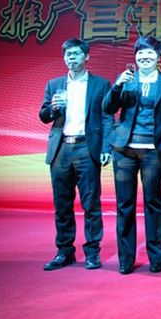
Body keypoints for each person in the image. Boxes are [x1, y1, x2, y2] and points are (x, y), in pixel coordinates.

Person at [102, 36, 161, 274]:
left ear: (159, 57)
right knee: (124, 204)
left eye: (150, 53)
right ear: (135, 57)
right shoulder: (126, 80)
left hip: (153, 151)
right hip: (124, 151)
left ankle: (156, 257)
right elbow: (108, 108)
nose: (145, 57)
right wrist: (117, 86)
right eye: (140, 53)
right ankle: (126, 259)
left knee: (153, 203)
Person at [39, 38, 113, 271]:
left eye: (76, 54)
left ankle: (92, 252)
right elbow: (44, 116)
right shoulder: (54, 84)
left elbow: (107, 117)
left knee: (91, 203)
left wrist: (106, 147)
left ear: (86, 56)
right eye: (67, 55)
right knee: (62, 203)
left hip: (86, 148)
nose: (71, 58)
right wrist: (53, 108)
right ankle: (64, 251)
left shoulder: (100, 85)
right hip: (61, 149)